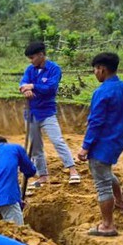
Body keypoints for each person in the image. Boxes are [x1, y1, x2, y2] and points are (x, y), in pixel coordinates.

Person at [77, 53, 123, 237]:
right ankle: (120, 201)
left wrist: (85, 146)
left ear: (102, 69)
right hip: (117, 143)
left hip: (102, 144)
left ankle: (107, 225)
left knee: (102, 184)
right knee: (107, 173)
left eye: (95, 69)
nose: (95, 73)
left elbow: (96, 122)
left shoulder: (102, 92)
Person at [19, 43, 81, 187]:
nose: (31, 61)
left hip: (47, 113)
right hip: (31, 113)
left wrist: (33, 86)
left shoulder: (54, 69)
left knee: (57, 140)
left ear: (41, 55)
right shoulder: (30, 69)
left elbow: (51, 88)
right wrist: (25, 89)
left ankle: (72, 170)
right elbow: (23, 83)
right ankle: (43, 176)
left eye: (32, 58)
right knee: (35, 147)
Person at [0, 135, 36, 226]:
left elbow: (1, 180)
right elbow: (29, 170)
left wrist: (18, 201)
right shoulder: (15, 148)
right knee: (17, 230)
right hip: (7, 197)